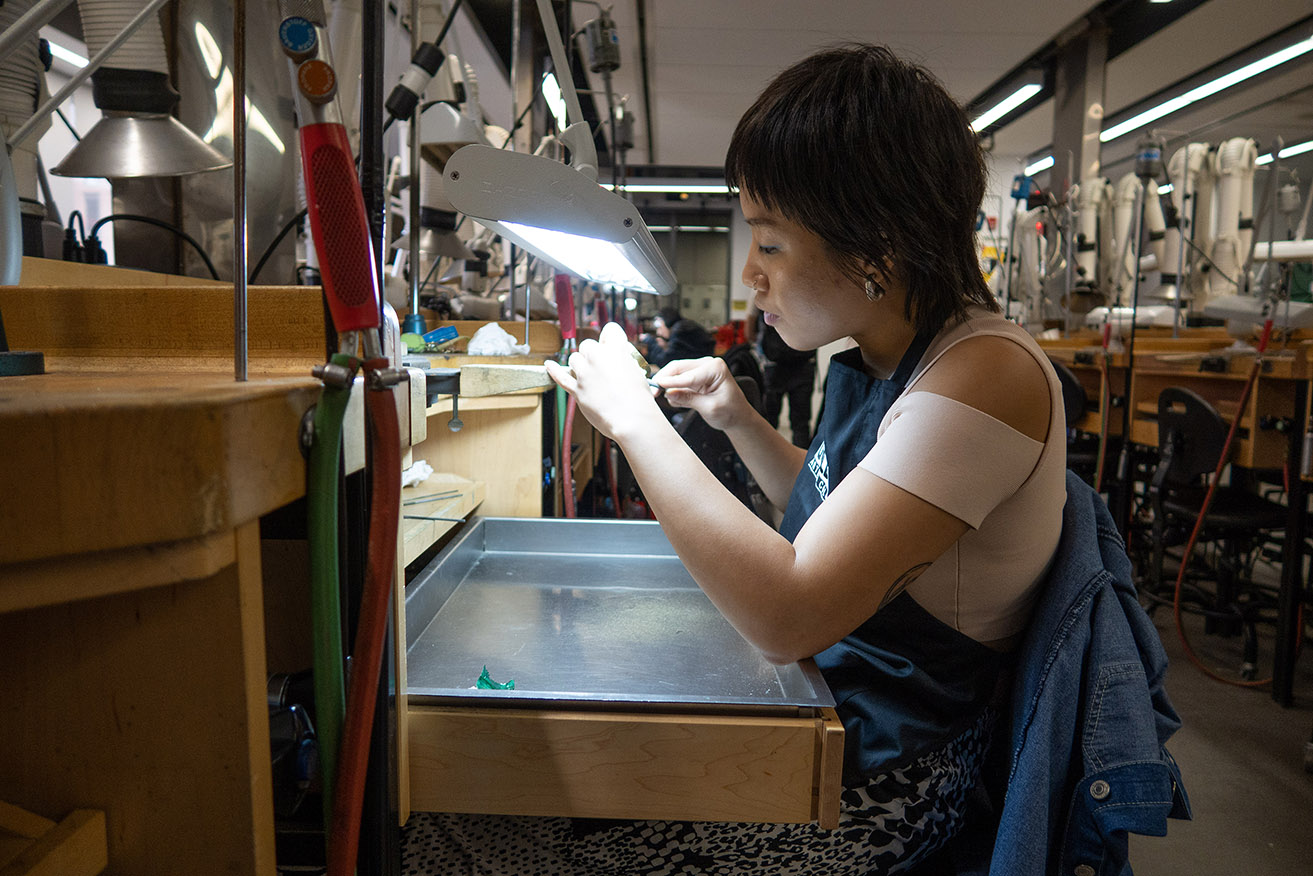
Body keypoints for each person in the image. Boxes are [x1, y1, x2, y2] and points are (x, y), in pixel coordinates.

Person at [404, 44, 1067, 875]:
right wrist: (739, 419)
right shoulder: (888, 353)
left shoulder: (981, 379)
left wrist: (636, 425)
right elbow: (841, 521)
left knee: (455, 844)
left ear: (877, 245)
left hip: (886, 781)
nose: (750, 275)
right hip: (834, 718)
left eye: (771, 245)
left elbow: (791, 614)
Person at [746, 298, 817, 447]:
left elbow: (749, 330)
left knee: (769, 420)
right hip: (803, 364)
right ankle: (803, 465)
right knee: (801, 423)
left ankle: (767, 460)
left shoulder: (763, 292)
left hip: (774, 365)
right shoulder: (806, 290)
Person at [644, 305, 715, 368]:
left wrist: (651, 342)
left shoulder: (680, 330)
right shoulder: (684, 325)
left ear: (666, 321)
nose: (658, 332)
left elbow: (665, 362)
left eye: (659, 326)